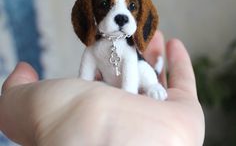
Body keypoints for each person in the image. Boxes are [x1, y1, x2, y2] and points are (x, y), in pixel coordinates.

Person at [0, 31, 205, 146]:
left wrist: (133, 92)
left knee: (142, 70)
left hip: (137, 79)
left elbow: (131, 68)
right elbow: (88, 64)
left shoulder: (130, 48)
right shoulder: (94, 46)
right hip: (107, 82)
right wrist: (84, 85)